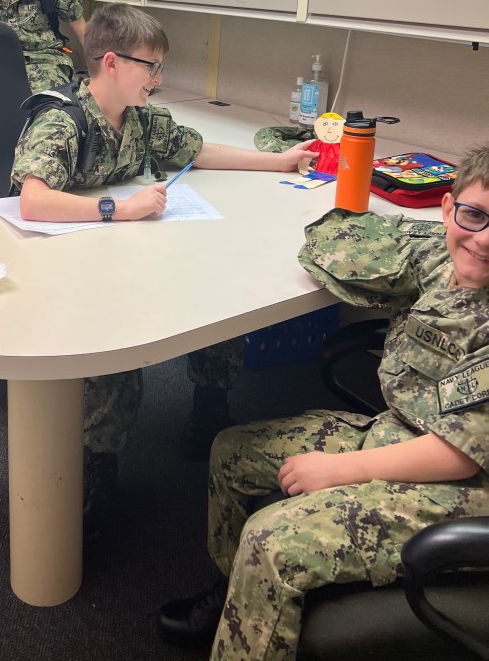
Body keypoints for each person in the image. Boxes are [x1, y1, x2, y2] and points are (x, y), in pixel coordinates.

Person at [157, 143, 489, 661]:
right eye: (475, 215)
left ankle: (254, 623)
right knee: (232, 451)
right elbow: (351, 235)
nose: (485, 239)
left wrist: (339, 470)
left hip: (463, 481)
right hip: (401, 432)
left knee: (271, 541)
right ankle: (239, 601)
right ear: (448, 209)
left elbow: (458, 454)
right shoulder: (442, 255)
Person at [11, 2, 317, 538]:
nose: (157, 78)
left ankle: (209, 410)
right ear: (111, 62)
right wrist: (119, 208)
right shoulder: (63, 120)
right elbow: (32, 202)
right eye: (149, 66)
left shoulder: (141, 118)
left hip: (120, 250)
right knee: (116, 349)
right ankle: (97, 468)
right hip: (61, 263)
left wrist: (279, 161)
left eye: (159, 67)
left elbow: (197, 152)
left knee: (216, 290)